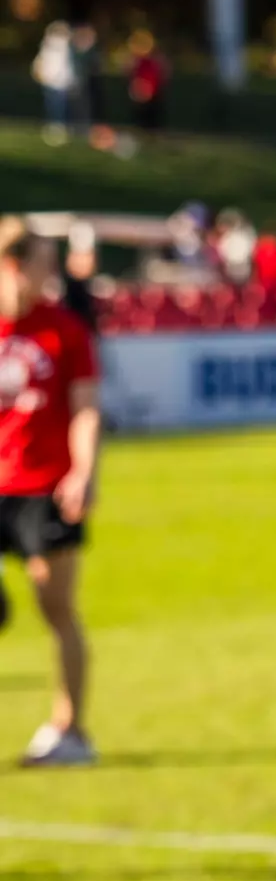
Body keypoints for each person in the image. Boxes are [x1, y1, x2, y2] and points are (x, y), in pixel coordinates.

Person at [0, 218, 101, 766]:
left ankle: (71, 730)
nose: (53, 274)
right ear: (13, 266)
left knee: (55, 605)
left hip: (45, 484)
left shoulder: (64, 329)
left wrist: (82, 471)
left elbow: (85, 408)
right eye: (44, 263)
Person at [31, 22, 75, 144]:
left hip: (58, 81)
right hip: (52, 81)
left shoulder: (62, 47)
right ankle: (56, 127)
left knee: (58, 107)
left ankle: (58, 127)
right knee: (54, 106)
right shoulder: (49, 46)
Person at [126, 30, 168, 131]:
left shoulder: (154, 61)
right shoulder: (137, 62)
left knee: (153, 119)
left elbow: (162, 76)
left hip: (153, 95)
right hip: (141, 96)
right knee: (142, 119)